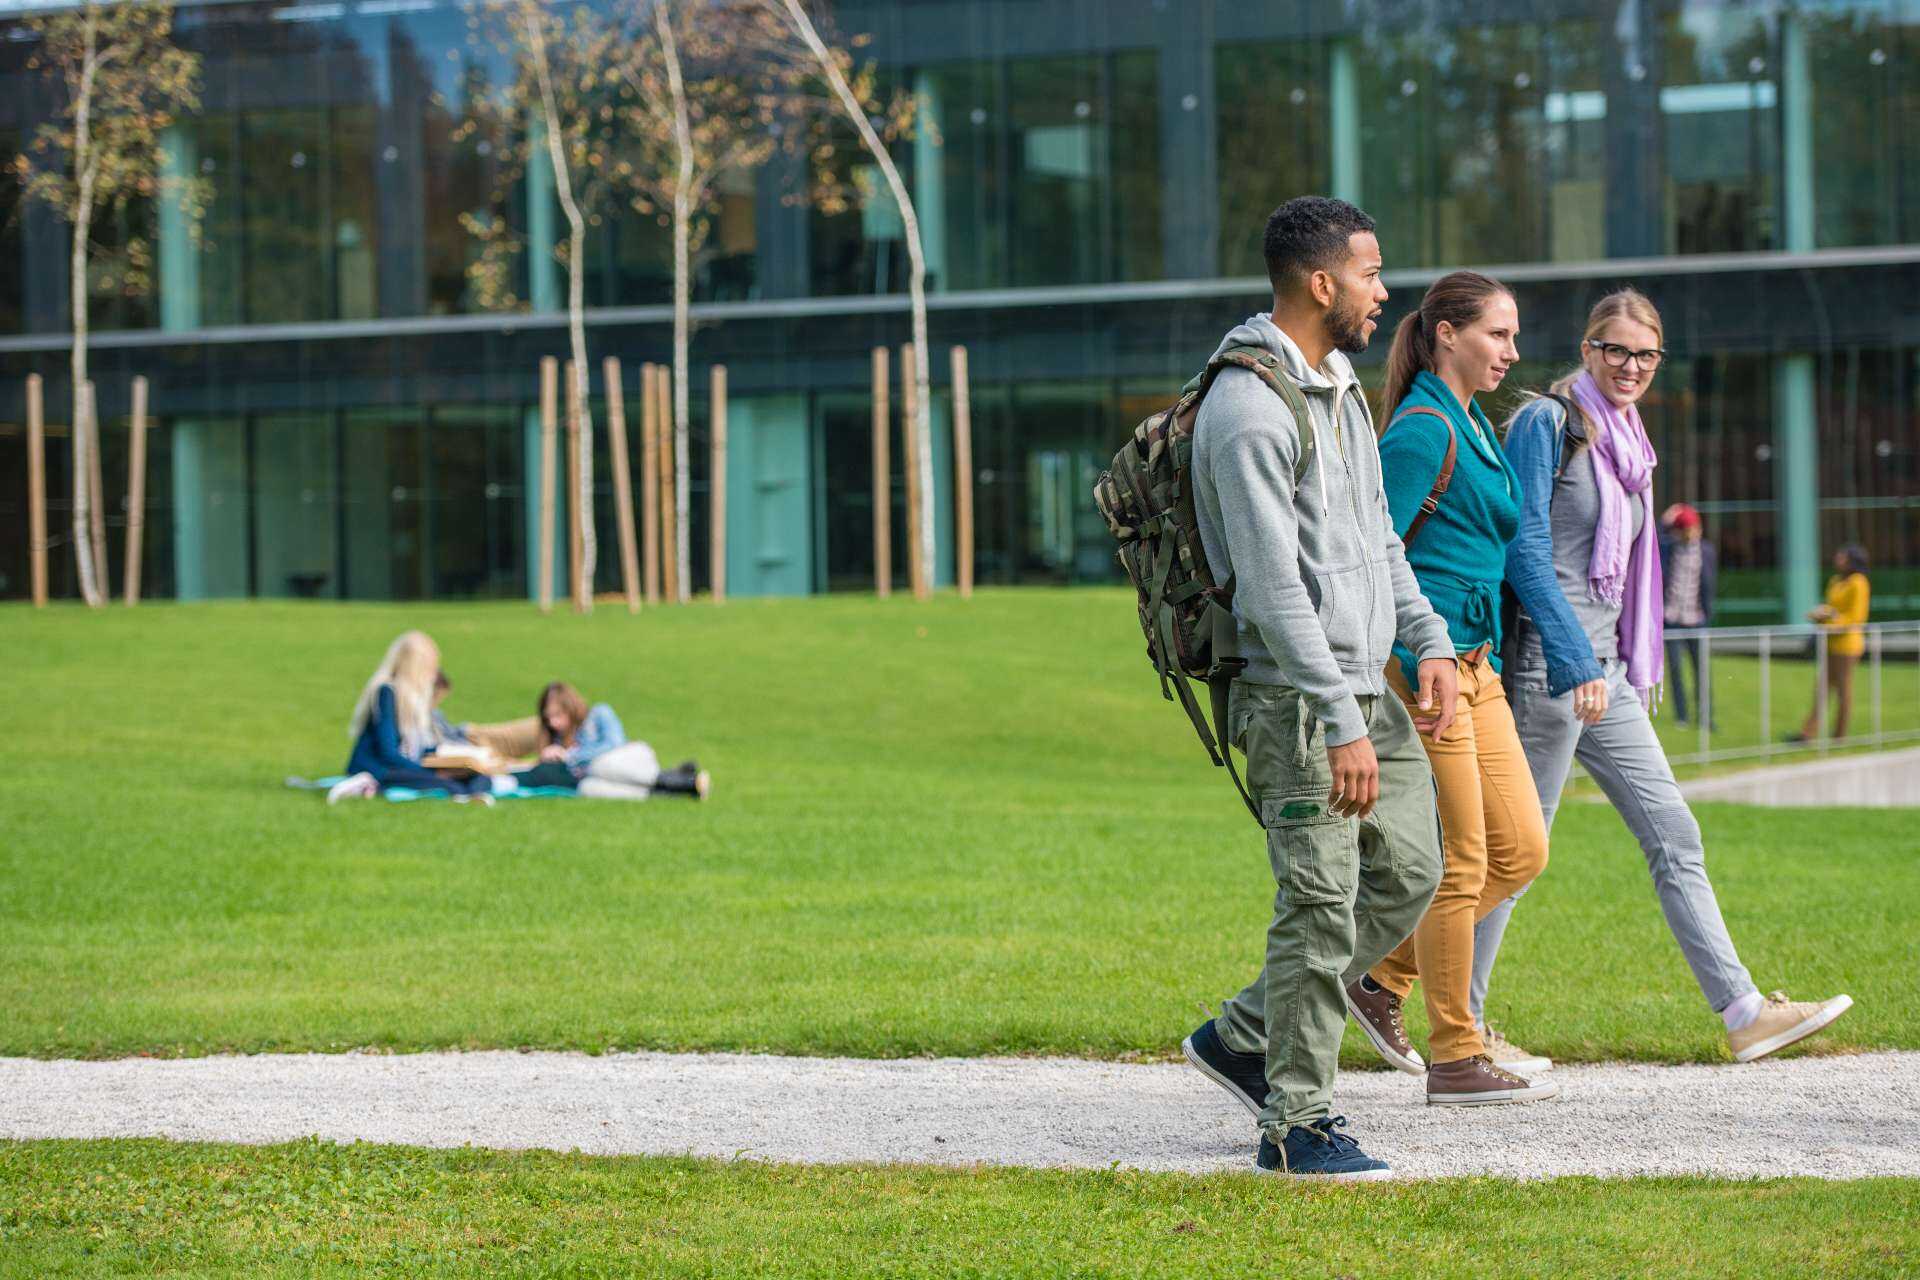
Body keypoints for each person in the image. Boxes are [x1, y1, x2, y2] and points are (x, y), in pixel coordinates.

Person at [1475, 288, 1852, 1065]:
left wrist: (1612, 663)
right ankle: (1450, 1020)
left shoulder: (1630, 443)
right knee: (1516, 853)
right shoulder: (1550, 422)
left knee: (1674, 833)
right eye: (1616, 350)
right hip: (1552, 667)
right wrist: (1574, 657)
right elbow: (1524, 547)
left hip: (1606, 674)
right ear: (1588, 350)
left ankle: (1744, 1011)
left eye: (1646, 354)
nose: (1632, 366)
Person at [1177, 196, 1456, 1179]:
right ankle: (1297, 1122)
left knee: (1413, 868)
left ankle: (1244, 1031)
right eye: (1374, 273)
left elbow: (1376, 537)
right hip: (1297, 699)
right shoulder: (1247, 408)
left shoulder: (1338, 381)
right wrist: (1336, 715)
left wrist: (1425, 639)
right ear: (1322, 282)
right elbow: (1267, 586)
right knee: (1321, 899)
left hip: (1364, 685)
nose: (1389, 293)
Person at [1341, 270, 1556, 1105]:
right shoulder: (1422, 431)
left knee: (1521, 850)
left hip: (1480, 667)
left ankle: (1380, 979)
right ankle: (1457, 1054)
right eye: (1496, 334)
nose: (1510, 349)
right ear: (1445, 335)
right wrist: (1413, 651)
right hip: (1428, 667)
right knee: (1461, 859)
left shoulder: (1475, 423)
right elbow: (1373, 556)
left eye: (1511, 334)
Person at [330, 631, 491, 803]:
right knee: (448, 785)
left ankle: (472, 795)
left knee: (481, 777)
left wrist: (453, 759)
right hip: (381, 767)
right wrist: (431, 772)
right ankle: (366, 784)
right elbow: (388, 753)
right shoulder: (386, 693)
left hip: (406, 763)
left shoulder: (414, 699)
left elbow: (417, 749)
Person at [512, 681, 710, 800]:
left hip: (632, 759)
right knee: (587, 788)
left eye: (557, 715)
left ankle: (686, 780)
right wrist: (550, 760)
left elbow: (614, 744)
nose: (553, 722)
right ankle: (676, 790)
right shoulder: (556, 738)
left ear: (570, 706)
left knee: (600, 765)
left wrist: (571, 755)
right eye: (548, 718)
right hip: (611, 779)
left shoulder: (599, 713)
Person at [1791, 545, 1871, 742]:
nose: (1837, 558)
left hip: (1848, 645)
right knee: (1822, 688)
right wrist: (1821, 613)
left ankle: (1839, 736)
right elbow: (1832, 607)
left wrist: (1832, 620)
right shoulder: (1835, 580)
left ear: (1852, 560)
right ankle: (1807, 733)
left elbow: (1857, 617)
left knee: (1844, 690)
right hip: (1831, 643)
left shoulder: (1859, 583)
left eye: (1842, 556)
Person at [1659, 504, 1718, 728]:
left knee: (1702, 669)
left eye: (1695, 528)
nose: (1693, 533)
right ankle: (1681, 716)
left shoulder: (1707, 551)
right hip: (1672, 618)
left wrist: (1707, 614)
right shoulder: (1668, 548)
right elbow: (1650, 539)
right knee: (1675, 669)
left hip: (1696, 619)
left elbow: (1709, 586)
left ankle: (1706, 717)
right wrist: (1666, 519)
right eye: (1687, 529)